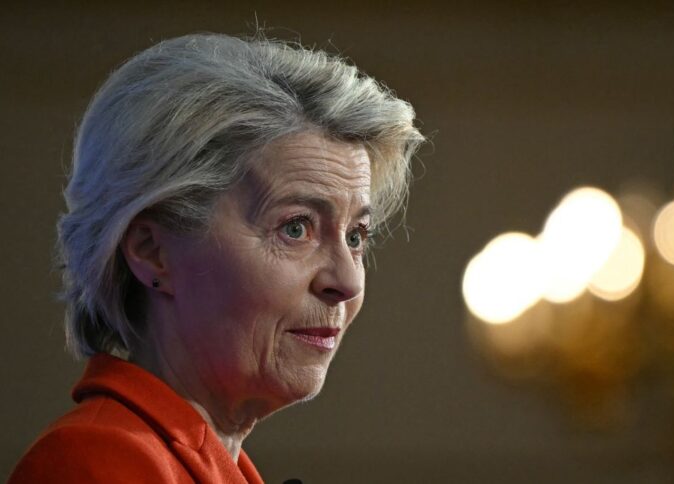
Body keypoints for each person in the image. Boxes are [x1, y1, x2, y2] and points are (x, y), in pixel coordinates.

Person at [9, 32, 424, 483]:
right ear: (151, 251)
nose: (347, 281)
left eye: (356, 236)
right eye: (295, 228)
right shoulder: (96, 462)